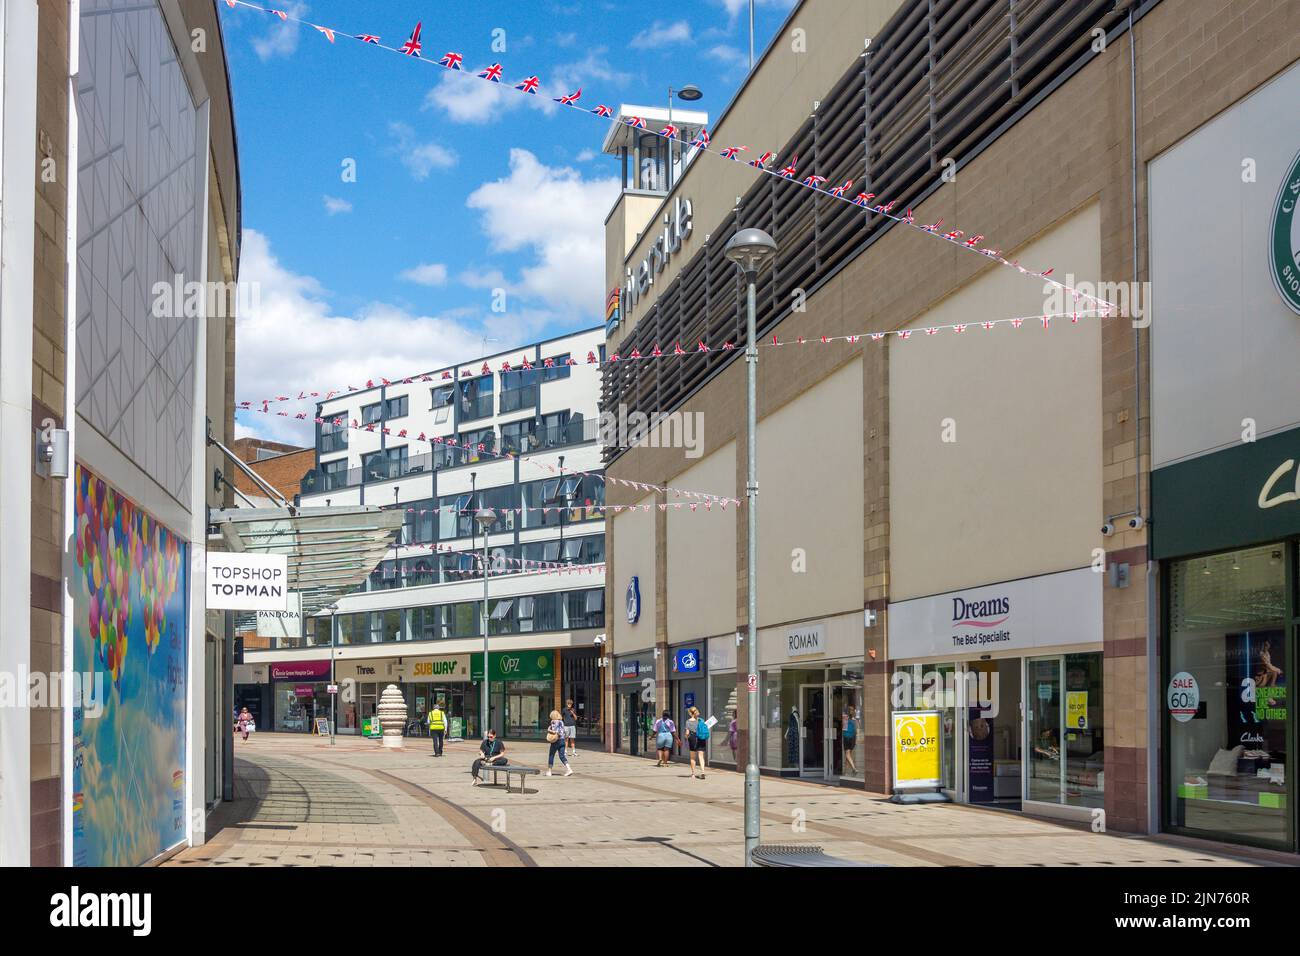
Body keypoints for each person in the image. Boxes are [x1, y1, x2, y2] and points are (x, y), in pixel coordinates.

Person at [546, 710, 574, 777]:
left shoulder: (553, 722)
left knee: (551, 755)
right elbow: (563, 731)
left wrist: (549, 730)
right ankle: (569, 769)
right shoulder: (561, 722)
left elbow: (556, 731)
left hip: (556, 741)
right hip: (562, 741)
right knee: (562, 756)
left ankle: (549, 771)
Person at [684, 706, 708, 779]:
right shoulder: (701, 720)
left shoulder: (688, 721)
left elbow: (687, 733)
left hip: (693, 738)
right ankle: (703, 772)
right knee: (701, 757)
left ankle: (693, 774)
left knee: (693, 758)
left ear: (690, 713)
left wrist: (685, 737)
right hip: (701, 738)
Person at [841, 707, 858, 774]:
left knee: (847, 754)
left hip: (846, 737)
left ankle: (854, 768)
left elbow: (844, 728)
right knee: (848, 755)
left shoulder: (845, 718)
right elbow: (856, 730)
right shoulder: (855, 720)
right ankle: (845, 771)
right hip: (853, 738)